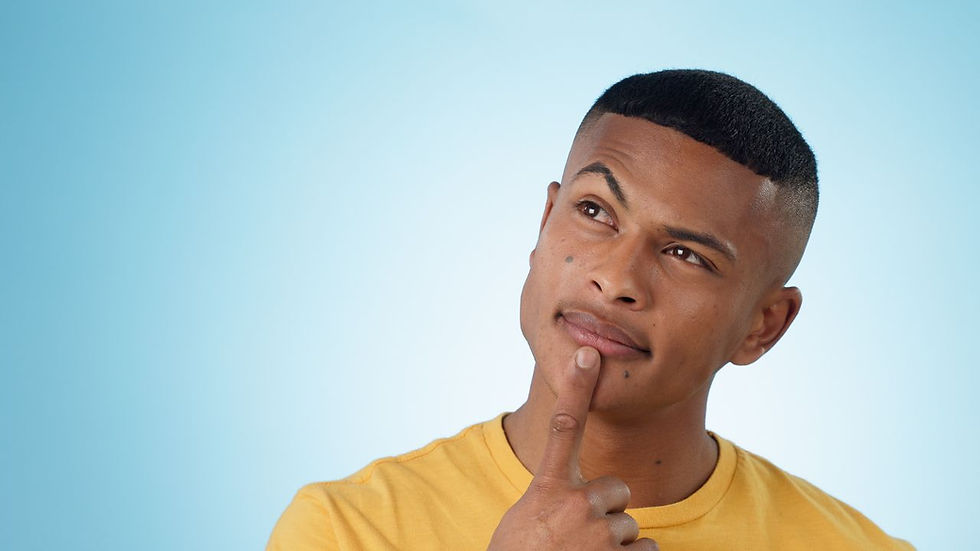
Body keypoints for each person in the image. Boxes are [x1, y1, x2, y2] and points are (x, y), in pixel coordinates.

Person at [266, 69, 915, 550]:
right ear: (546, 219)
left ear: (762, 325)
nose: (616, 278)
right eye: (596, 212)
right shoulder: (344, 529)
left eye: (686, 253)